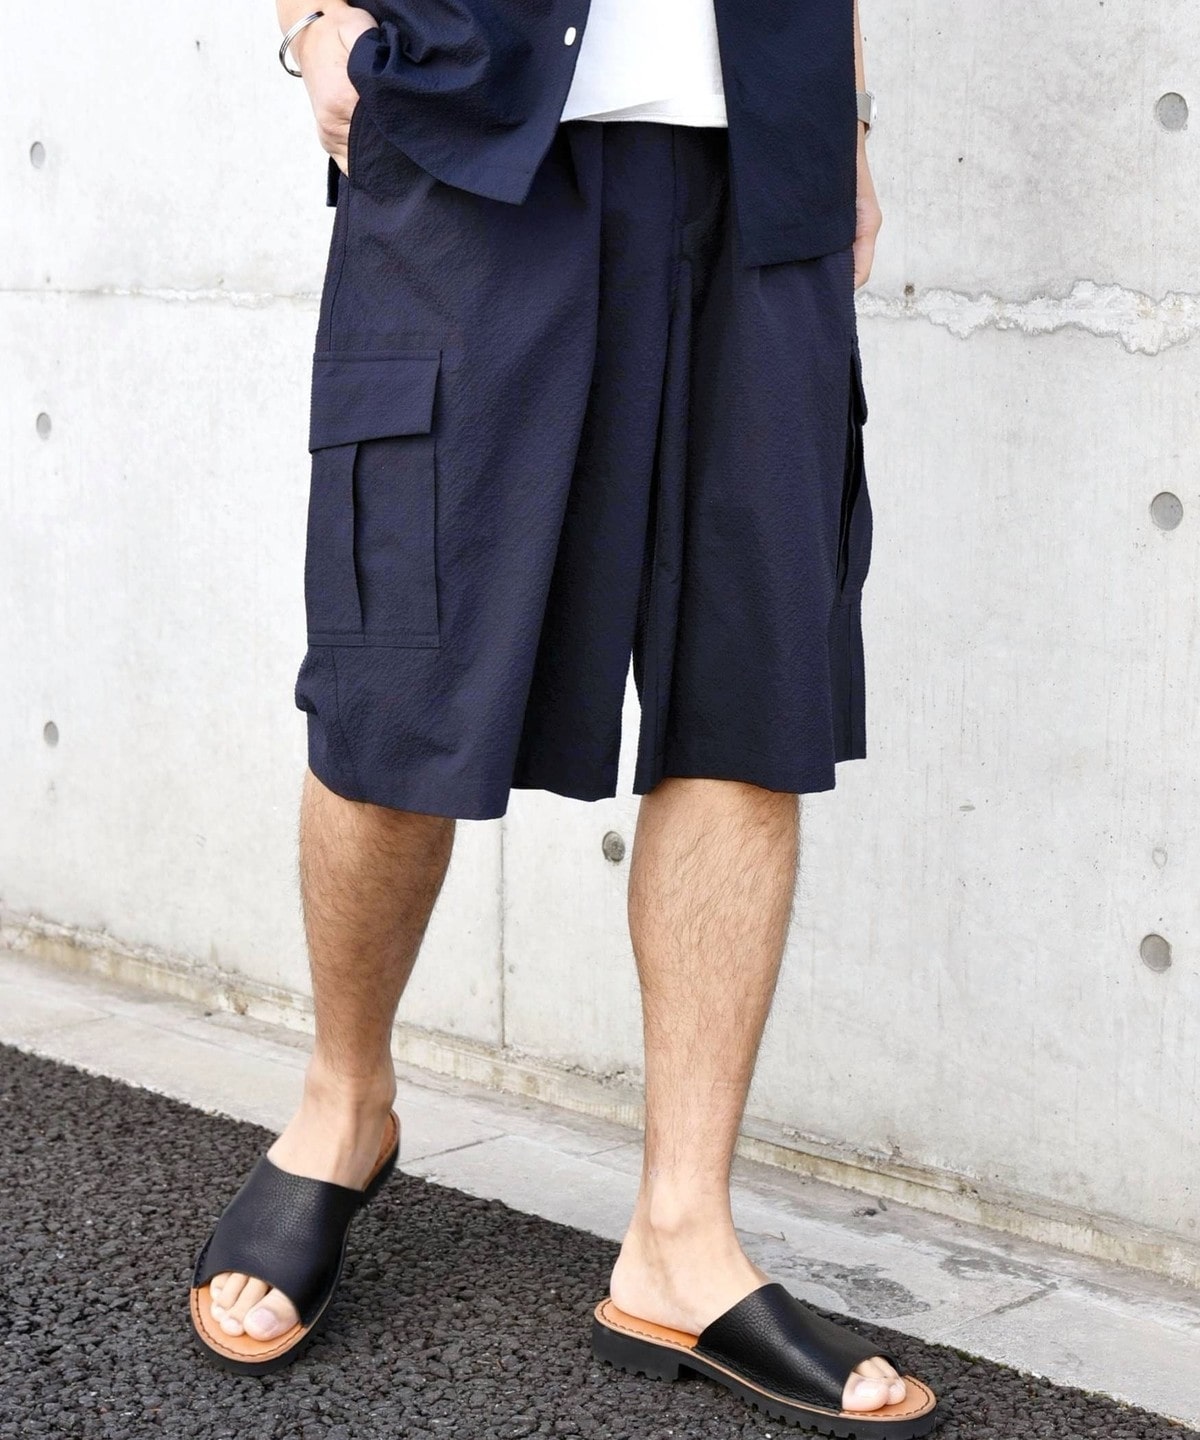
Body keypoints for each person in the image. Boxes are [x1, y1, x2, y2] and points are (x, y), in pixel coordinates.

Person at [189, 1, 939, 1432]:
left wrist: (842, 119)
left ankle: (680, 1237)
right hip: (469, 134)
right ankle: (343, 1106)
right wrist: (315, 23)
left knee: (749, 706)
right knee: (399, 683)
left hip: (762, 161)